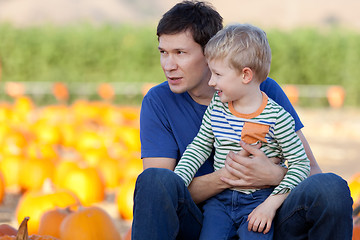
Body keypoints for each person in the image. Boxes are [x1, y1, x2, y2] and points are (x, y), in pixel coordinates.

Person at [132, 1, 353, 239]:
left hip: (265, 217)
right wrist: (231, 175)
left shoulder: (263, 91)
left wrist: (273, 175)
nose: (168, 65)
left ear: (210, 53)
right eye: (163, 52)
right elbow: (165, 192)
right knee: (153, 180)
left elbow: (311, 170)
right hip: (201, 223)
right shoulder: (157, 101)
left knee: (331, 187)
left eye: (180, 53)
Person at [173, 23, 310, 239]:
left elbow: (301, 166)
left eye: (217, 74)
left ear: (245, 75)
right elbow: (198, 147)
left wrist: (270, 206)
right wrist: (177, 183)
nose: (211, 82)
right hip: (219, 202)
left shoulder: (278, 118)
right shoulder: (216, 108)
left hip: (260, 201)